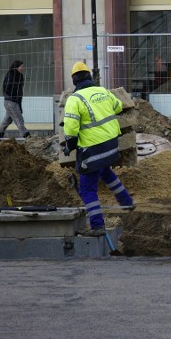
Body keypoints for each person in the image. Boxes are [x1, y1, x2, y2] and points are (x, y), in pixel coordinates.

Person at [63, 61, 134, 237]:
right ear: (89, 77)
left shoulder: (75, 99)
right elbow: (118, 106)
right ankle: (126, 202)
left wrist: (69, 146)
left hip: (92, 149)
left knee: (87, 190)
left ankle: (97, 226)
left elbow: (70, 128)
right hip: (111, 147)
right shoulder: (103, 92)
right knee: (105, 172)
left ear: (74, 80)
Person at [0, 60, 30, 141]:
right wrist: (11, 96)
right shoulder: (10, 75)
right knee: (19, 119)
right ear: (16, 67)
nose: (23, 68)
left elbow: (19, 92)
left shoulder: (20, 76)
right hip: (11, 101)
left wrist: (19, 105)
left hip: (14, 102)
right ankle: (27, 137)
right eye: (21, 66)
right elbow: (6, 87)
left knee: (7, 120)